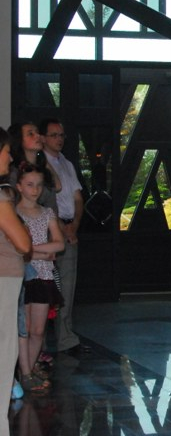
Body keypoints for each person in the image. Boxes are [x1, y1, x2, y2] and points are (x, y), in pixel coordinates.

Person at [15, 163, 65, 391]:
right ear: (19, 186)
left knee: (37, 330)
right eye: (29, 185)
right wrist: (42, 252)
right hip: (23, 275)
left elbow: (59, 244)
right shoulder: (13, 213)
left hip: (43, 275)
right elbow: (16, 248)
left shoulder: (47, 213)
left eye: (38, 185)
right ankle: (25, 372)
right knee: (23, 328)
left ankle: (29, 367)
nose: (35, 190)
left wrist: (31, 250)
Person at [39, 118, 86, 355]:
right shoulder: (40, 164)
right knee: (43, 287)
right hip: (49, 230)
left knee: (67, 286)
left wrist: (74, 225)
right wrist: (61, 228)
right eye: (54, 135)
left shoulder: (66, 164)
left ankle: (66, 338)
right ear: (43, 138)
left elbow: (78, 198)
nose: (59, 139)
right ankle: (40, 343)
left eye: (61, 135)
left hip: (69, 229)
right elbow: (46, 202)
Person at [1, 126, 33, 436]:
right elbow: (23, 243)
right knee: (4, 352)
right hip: (3, 280)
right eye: (6, 151)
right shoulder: (0, 198)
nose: (10, 158)